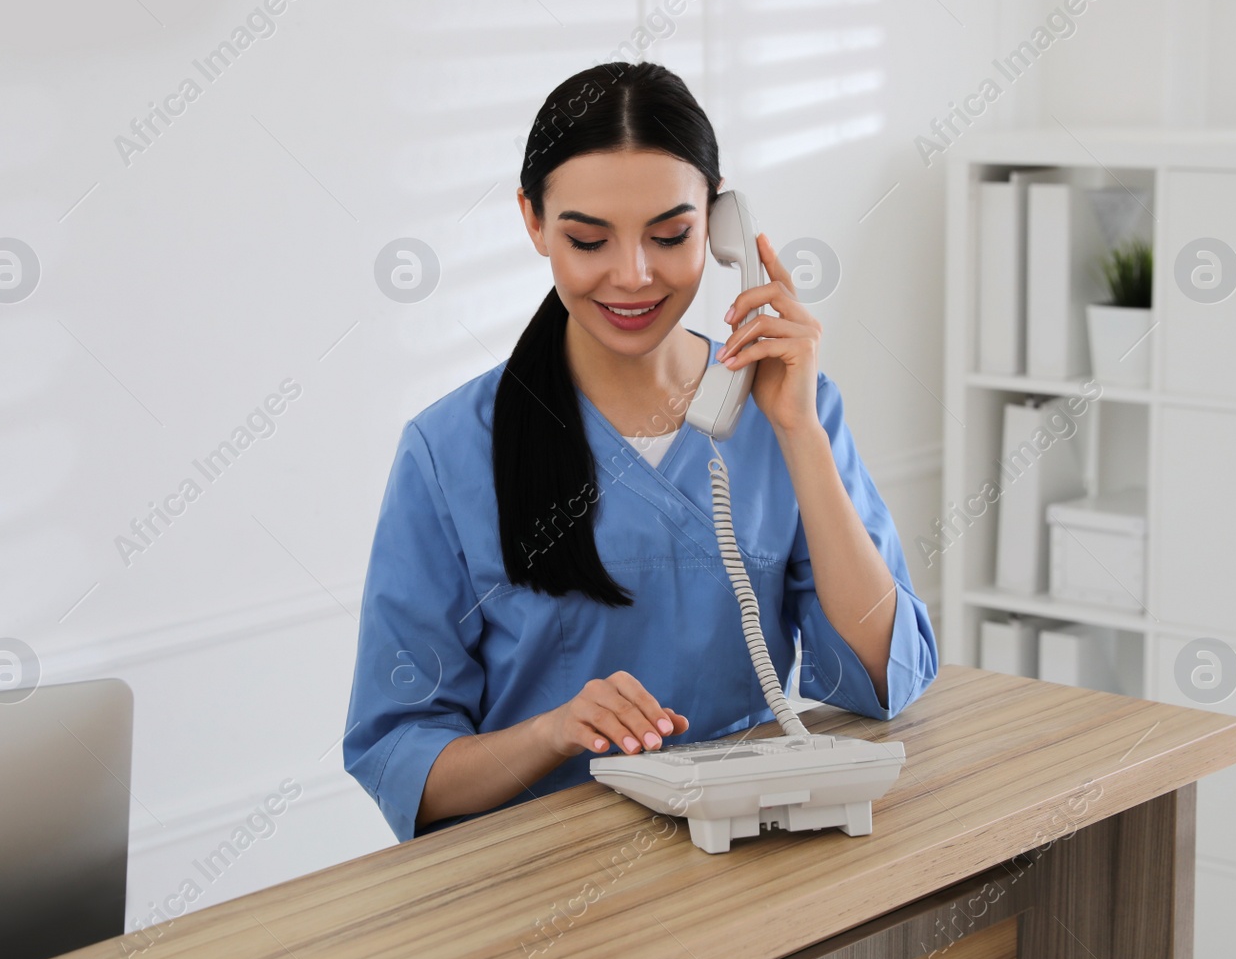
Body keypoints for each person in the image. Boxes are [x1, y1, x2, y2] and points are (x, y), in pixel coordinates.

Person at [344, 62, 937, 843]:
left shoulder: (790, 412)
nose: (633, 276)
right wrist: (554, 731)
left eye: (670, 235)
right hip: (541, 890)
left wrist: (799, 433)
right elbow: (401, 757)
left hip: (747, 860)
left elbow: (883, 677)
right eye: (588, 239)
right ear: (532, 221)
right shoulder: (447, 450)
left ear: (721, 223)